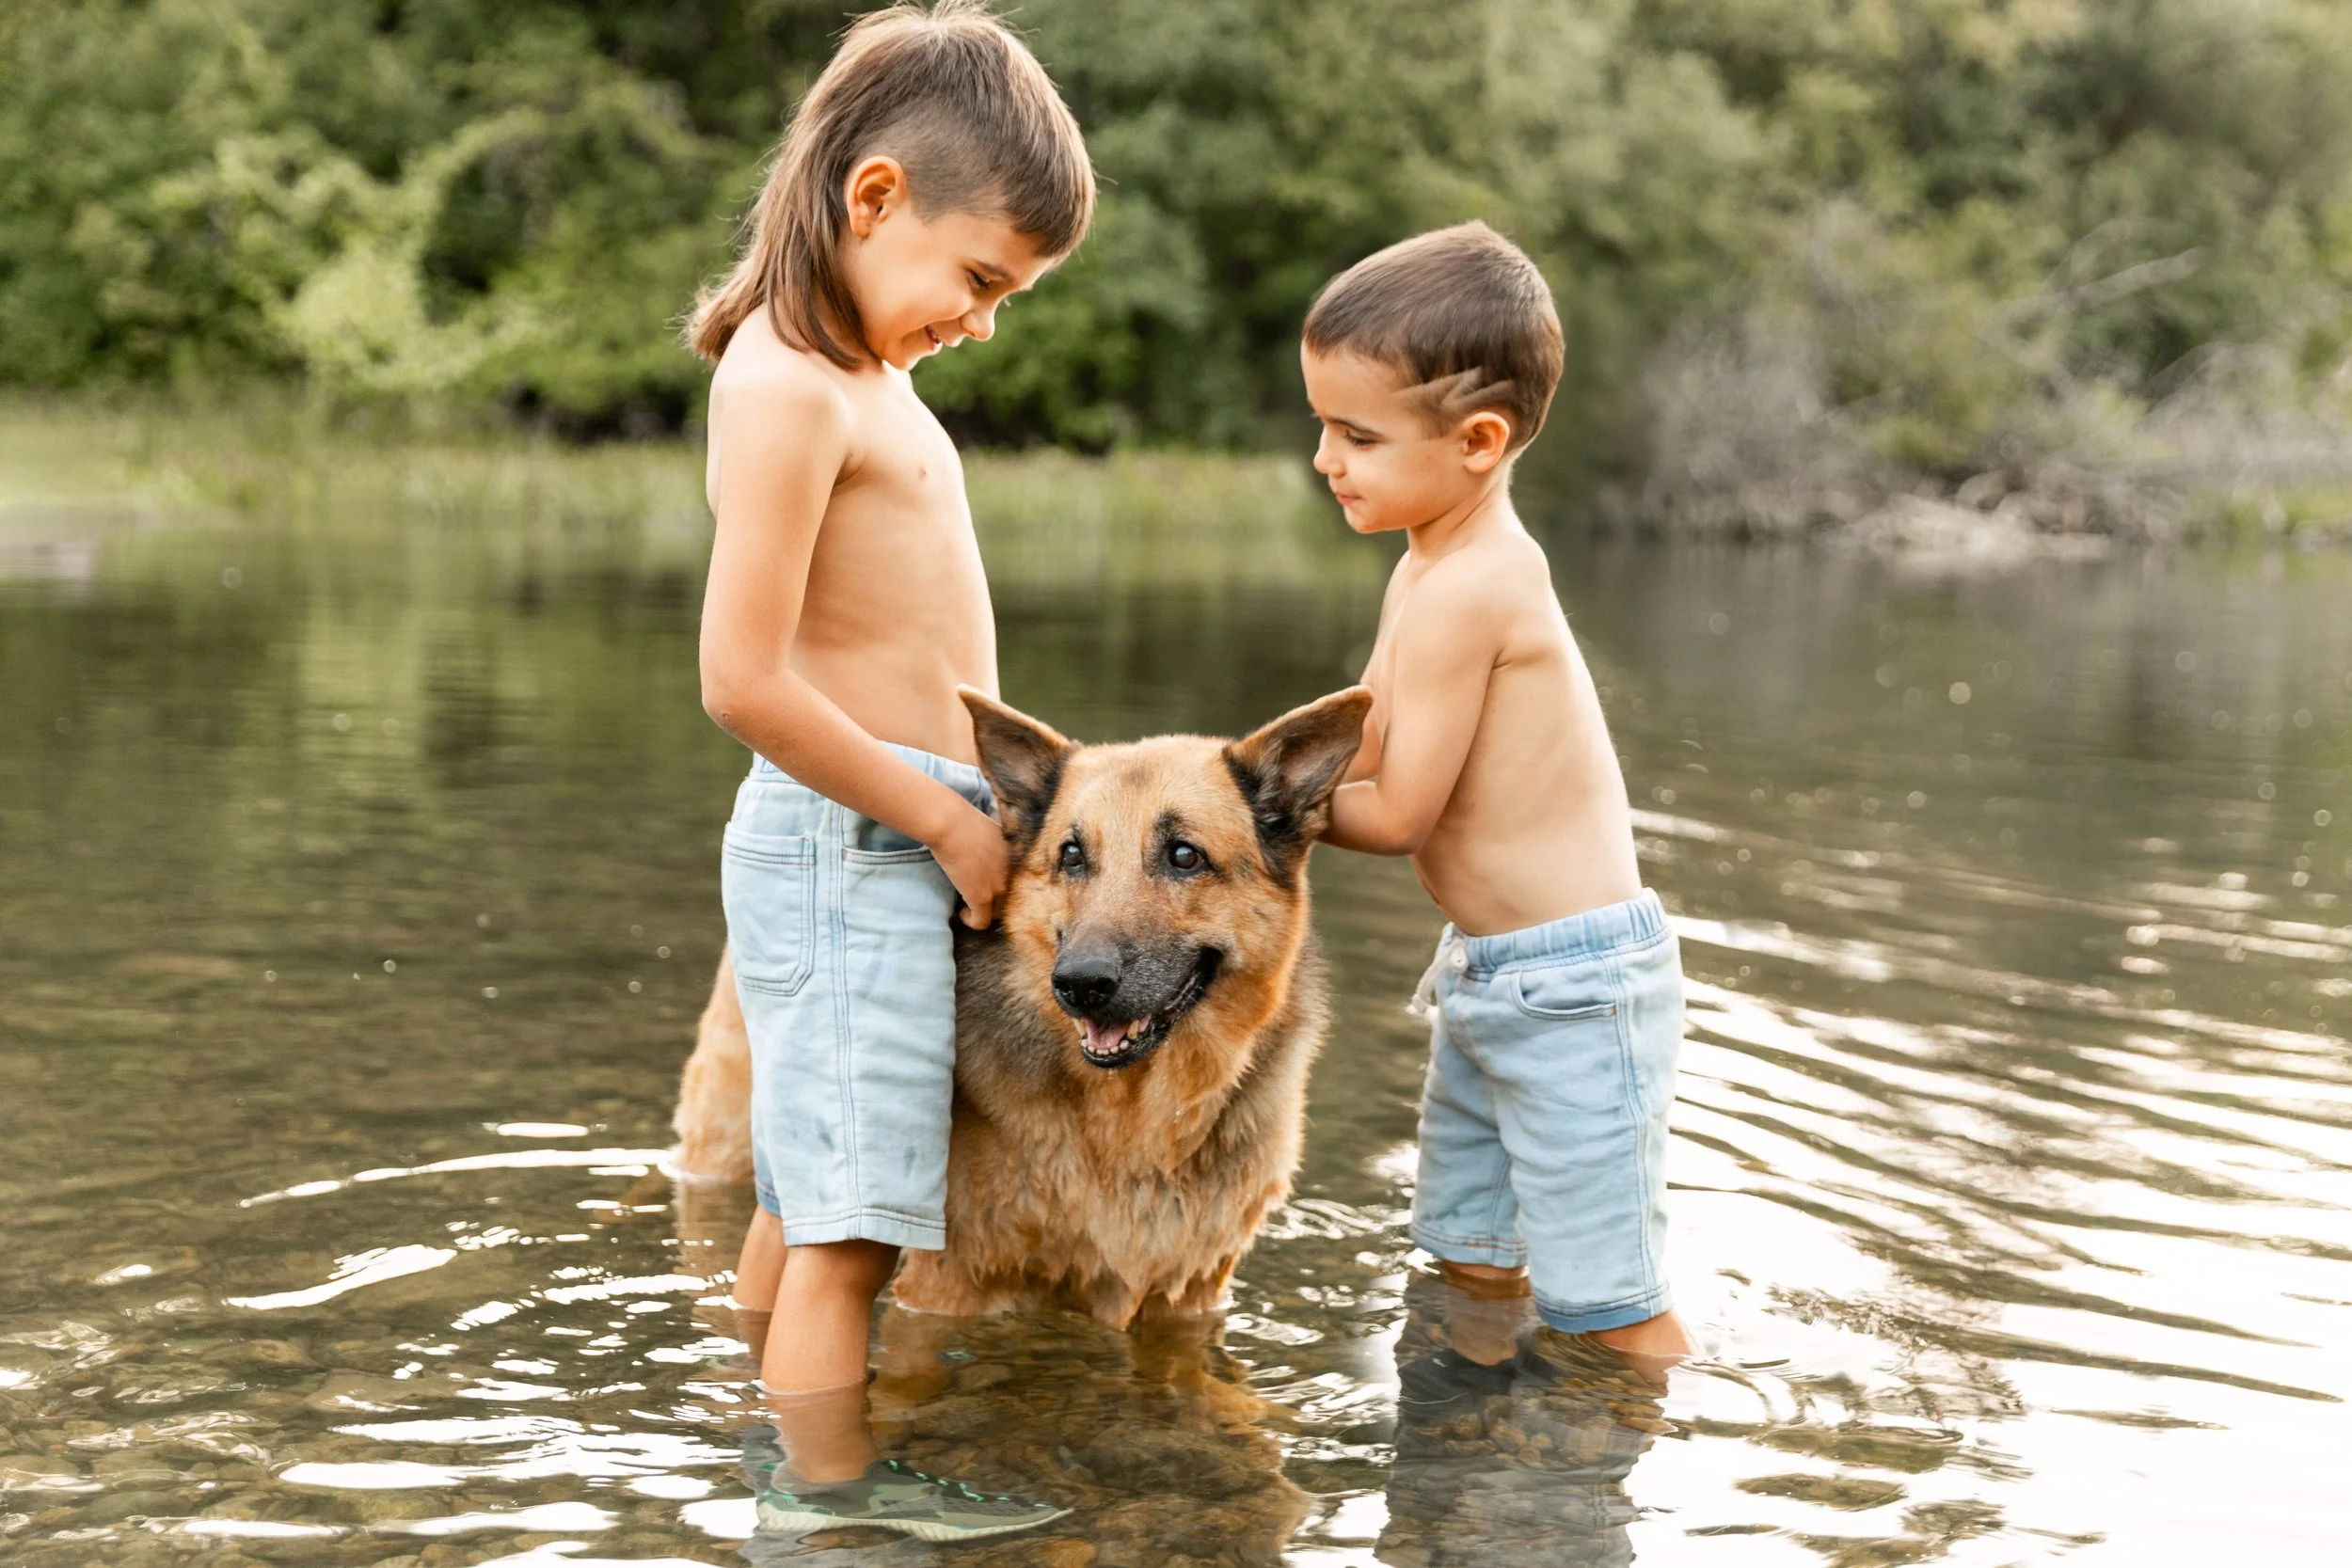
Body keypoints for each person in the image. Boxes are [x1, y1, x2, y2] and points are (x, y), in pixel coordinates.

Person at [685, 0, 1092, 1541]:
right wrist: (935, 808)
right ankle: (831, 1500)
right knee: (855, 1226)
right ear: (872, 198)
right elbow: (741, 679)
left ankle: (763, 1437)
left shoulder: (863, 375)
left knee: (807, 1191)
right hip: (855, 836)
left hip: (879, 835)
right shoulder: (789, 385)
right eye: (980, 278)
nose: (987, 318)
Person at [1304, 222, 1695, 1388]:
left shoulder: (1477, 584)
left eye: (1358, 435)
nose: (1327, 458)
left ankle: (1641, 1439)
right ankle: (1472, 1450)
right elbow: (1364, 738)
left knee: (1608, 1300)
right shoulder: (1425, 561)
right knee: (1469, 1250)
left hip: (1577, 990)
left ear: (1477, 442)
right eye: (1323, 425)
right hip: (1489, 974)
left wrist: (1265, 814)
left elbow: (1395, 811)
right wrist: (1265, 768)